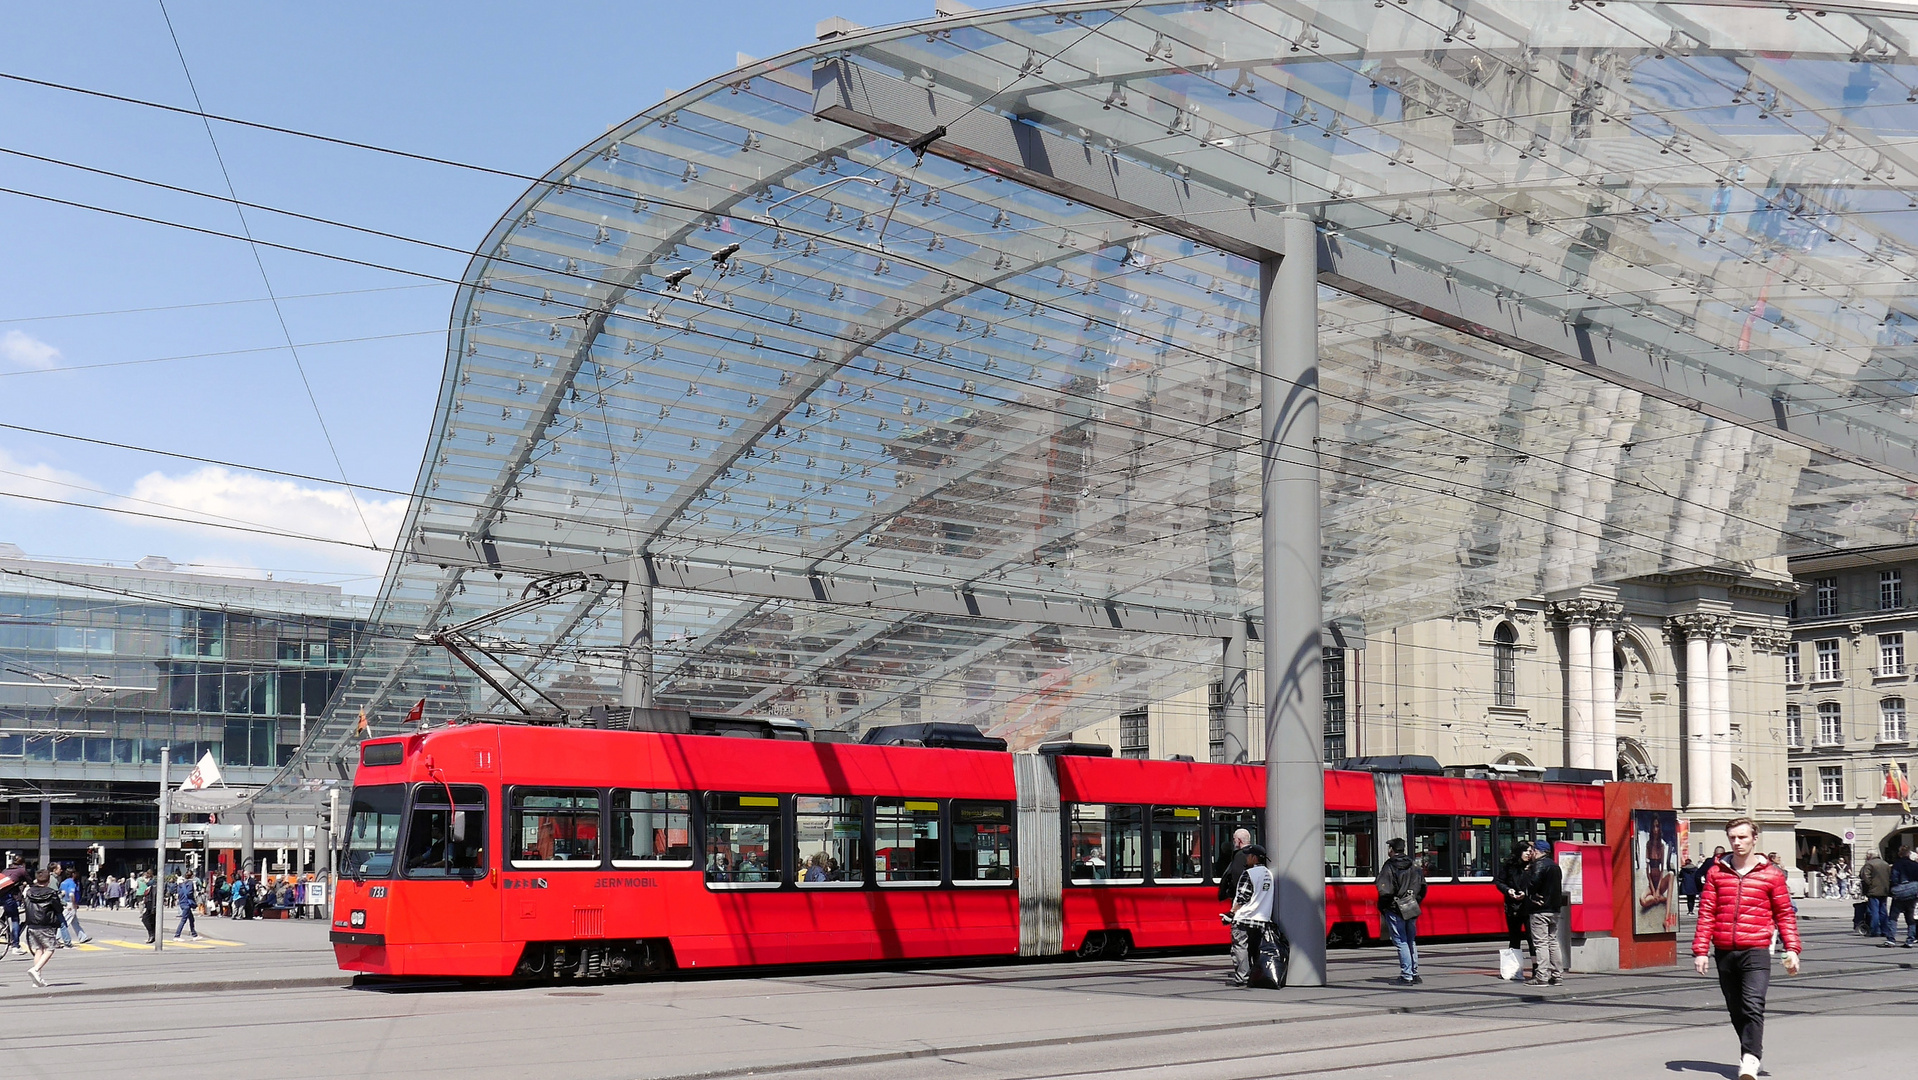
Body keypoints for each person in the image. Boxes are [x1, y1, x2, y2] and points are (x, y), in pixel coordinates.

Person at [1693, 817, 1802, 1080]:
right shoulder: (1716, 872)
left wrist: (1793, 948)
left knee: (1753, 1003)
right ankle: (1751, 1049)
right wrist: (1700, 950)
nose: (1737, 842)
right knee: (1736, 1008)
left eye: (1743, 837)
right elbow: (1707, 912)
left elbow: (1785, 914)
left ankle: (1750, 1059)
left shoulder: (1771, 874)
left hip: (1756, 948)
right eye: (1733, 837)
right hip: (1724, 949)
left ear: (1755, 839)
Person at [1374, 837, 1427, 985]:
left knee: (1401, 941)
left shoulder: (1389, 866)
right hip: (1411, 906)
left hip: (1394, 908)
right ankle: (1415, 973)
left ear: (1392, 850)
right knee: (1411, 940)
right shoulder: (1414, 865)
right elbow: (1423, 887)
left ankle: (1406, 975)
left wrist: (1383, 907)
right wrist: (1415, 901)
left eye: (1389, 848)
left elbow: (1385, 890)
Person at [1225, 843, 1274, 988]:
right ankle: (1255, 975)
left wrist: (1231, 912)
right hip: (1261, 918)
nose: (1246, 858)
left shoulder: (1249, 874)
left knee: (1240, 947)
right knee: (1255, 948)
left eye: (1248, 855)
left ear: (1254, 857)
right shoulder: (1269, 874)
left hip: (1245, 916)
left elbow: (1242, 897)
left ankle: (1242, 977)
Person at [1520, 840, 1564, 986]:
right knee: (1553, 942)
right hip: (1554, 909)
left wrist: (1527, 873)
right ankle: (1557, 975)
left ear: (1538, 851)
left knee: (1541, 944)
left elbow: (1531, 885)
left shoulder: (1538, 865)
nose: (1531, 853)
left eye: (1532, 850)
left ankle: (1542, 976)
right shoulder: (1555, 866)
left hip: (1540, 909)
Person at [19, 869, 63, 987]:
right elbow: (58, 908)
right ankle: (36, 969)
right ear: (48, 880)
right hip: (45, 924)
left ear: (37, 879)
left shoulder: (28, 892)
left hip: (31, 925)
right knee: (50, 948)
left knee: (38, 950)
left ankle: (37, 979)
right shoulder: (51, 893)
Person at [1493, 841, 1530, 968]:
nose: (1528, 854)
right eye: (1526, 851)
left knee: (1531, 938)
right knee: (1514, 937)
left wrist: (1526, 893)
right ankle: (1514, 968)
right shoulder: (1509, 866)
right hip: (1512, 905)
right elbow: (1499, 882)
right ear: (1519, 852)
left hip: (1529, 905)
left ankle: (1536, 969)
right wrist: (1508, 890)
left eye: (1530, 851)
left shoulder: (1534, 865)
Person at [1887, 847, 1918, 948]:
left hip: (1900, 894)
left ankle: (1891, 939)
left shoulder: (1897, 865)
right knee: (1910, 919)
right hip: (1912, 894)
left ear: (1900, 854)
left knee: (1893, 917)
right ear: (1909, 854)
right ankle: (1910, 940)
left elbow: (1894, 879)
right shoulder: (1915, 865)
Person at [1861, 851, 1893, 939]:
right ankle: (1885, 930)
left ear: (1870, 855)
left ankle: (1875, 930)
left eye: (1867, 855)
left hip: (1873, 890)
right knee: (1883, 911)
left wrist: (1870, 885)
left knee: (1874, 911)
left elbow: (1865, 876)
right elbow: (1890, 876)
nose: (1866, 856)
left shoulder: (1869, 864)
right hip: (1884, 890)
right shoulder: (1885, 864)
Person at [1214, 828, 1252, 904]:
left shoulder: (1240, 856)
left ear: (1239, 840)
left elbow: (1237, 877)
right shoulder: (1253, 854)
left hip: (1240, 898)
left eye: (1234, 839)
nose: (1233, 842)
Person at [0, 854, 27, 958]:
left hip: (1, 896)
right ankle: (15, 946)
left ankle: (3, 928)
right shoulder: (22, 871)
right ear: (22, 863)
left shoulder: (5, 870)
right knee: (15, 919)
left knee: (7, 913)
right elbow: (31, 883)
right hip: (8, 898)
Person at [56, 867, 90, 946]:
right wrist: (74, 904)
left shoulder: (63, 883)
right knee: (65, 922)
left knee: (75, 922)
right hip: (70, 904)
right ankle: (57, 938)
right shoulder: (72, 883)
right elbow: (71, 894)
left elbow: (61, 893)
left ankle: (82, 937)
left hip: (65, 903)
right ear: (73, 874)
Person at [173, 873, 201, 941]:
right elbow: (189, 893)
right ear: (192, 876)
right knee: (183, 920)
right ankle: (177, 936)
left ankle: (194, 934)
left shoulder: (181, 884)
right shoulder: (190, 883)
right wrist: (193, 900)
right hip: (187, 904)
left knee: (191, 919)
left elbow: (175, 891)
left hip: (182, 902)